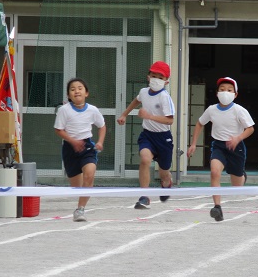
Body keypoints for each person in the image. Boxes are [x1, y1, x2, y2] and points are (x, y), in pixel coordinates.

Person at [187, 77, 254, 221]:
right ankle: (217, 207)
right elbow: (199, 123)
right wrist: (193, 144)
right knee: (214, 172)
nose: (225, 92)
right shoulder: (211, 110)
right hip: (218, 146)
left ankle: (241, 175)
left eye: (229, 90)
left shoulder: (239, 110)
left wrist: (238, 138)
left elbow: (250, 128)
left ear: (235, 94)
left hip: (236, 147)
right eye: (222, 90)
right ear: (217, 93)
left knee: (236, 186)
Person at [117, 61, 175, 209]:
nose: (156, 79)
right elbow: (136, 101)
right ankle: (144, 196)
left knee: (164, 172)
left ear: (166, 81)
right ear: (148, 76)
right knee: (144, 159)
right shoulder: (144, 92)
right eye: (153, 75)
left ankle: (167, 183)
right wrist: (124, 114)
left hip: (164, 138)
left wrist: (149, 116)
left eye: (160, 77)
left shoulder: (164, 97)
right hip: (148, 135)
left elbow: (170, 120)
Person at [54, 78, 106, 222]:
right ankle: (83, 192)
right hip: (70, 149)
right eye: (72, 89)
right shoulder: (64, 110)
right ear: (69, 95)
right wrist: (73, 141)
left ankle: (80, 209)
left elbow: (102, 125)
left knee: (89, 175)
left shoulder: (92, 110)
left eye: (80, 88)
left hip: (87, 147)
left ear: (86, 93)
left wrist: (100, 142)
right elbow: (58, 130)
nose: (76, 91)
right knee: (77, 187)